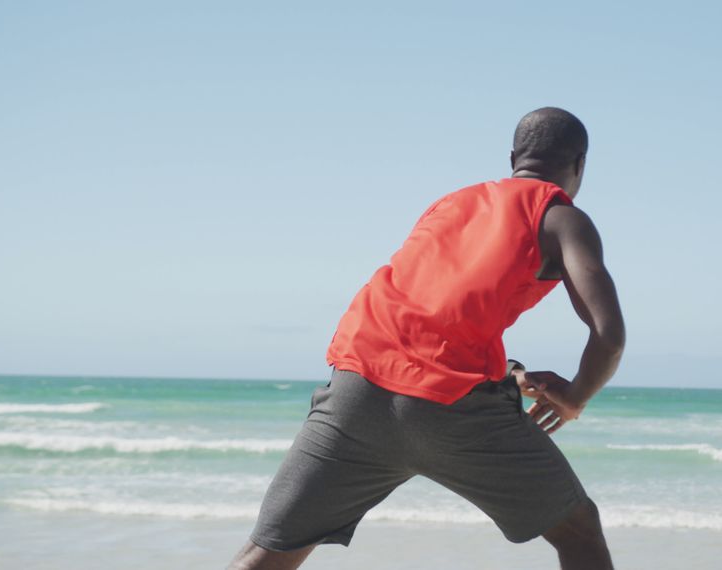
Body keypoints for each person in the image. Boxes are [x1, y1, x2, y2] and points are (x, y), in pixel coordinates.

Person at [229, 107, 625, 570]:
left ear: (513, 157)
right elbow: (609, 334)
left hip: (356, 389)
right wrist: (576, 397)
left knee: (266, 556)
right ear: (579, 165)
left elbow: (432, 314)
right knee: (578, 530)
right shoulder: (561, 218)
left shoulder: (452, 203)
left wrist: (509, 374)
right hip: (451, 408)